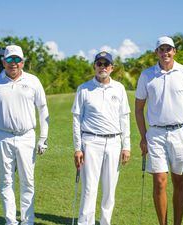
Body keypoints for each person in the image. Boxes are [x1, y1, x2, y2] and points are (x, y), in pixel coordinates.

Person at [135, 36, 183, 225]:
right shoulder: (147, 75)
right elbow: (139, 108)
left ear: (175, 51)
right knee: (159, 181)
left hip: (180, 133)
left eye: (169, 49)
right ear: (156, 52)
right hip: (155, 134)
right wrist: (143, 137)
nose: (165, 53)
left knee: (179, 180)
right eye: (161, 49)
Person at [0, 45, 49, 225]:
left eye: (17, 59)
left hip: (27, 136)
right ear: (3, 62)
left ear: (23, 62)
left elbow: (43, 110)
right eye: (10, 59)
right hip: (2, 136)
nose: (13, 63)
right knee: (6, 181)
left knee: (28, 181)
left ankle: (28, 221)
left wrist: (43, 138)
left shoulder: (33, 81)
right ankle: (10, 221)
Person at [72, 51, 131, 225]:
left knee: (109, 189)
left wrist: (126, 146)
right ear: (94, 66)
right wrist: (77, 148)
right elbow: (76, 119)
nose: (102, 67)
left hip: (114, 142)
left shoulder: (119, 88)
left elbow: (124, 118)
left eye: (106, 64)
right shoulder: (83, 89)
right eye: (99, 64)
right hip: (91, 142)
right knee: (89, 189)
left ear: (112, 68)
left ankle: (105, 222)